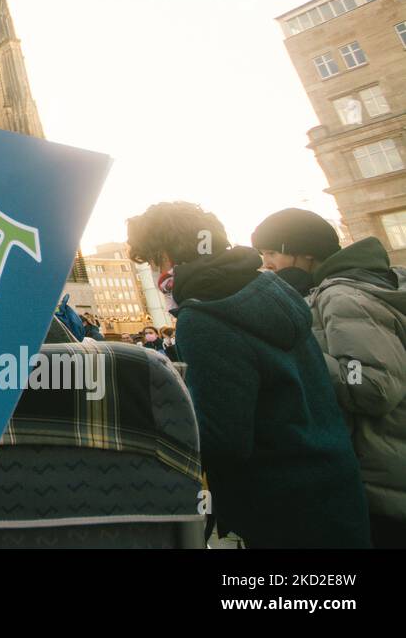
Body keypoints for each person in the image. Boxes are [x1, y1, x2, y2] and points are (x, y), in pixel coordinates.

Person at [126, 201, 370, 548]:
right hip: (334, 486)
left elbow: (223, 439)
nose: (154, 272)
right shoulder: (272, 290)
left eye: (152, 261)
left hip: (278, 509)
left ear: (166, 256)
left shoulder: (204, 318)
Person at [253, 207, 406, 548]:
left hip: (379, 484)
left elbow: (371, 386)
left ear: (306, 251)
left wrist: (298, 350)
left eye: (272, 252)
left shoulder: (342, 295)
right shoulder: (343, 289)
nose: (267, 262)